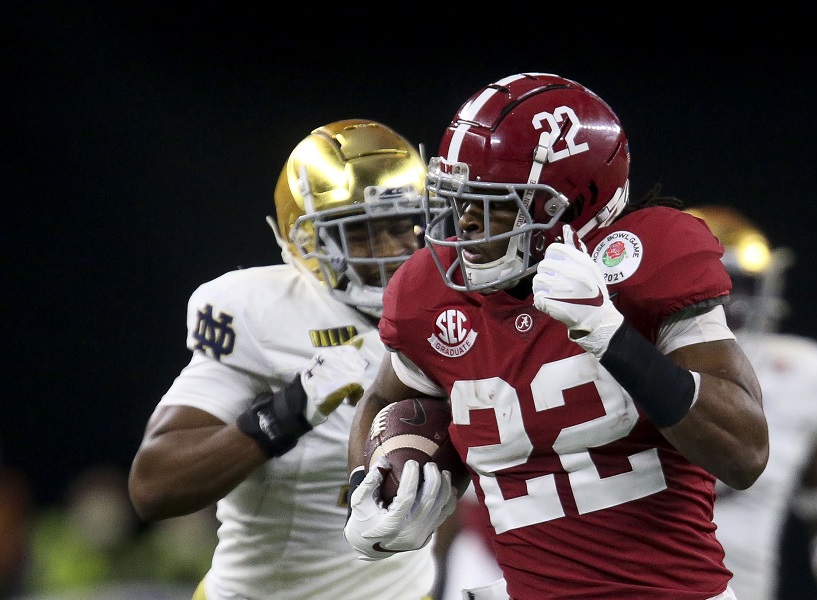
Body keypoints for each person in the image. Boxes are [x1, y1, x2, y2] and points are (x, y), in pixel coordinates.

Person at [343, 73, 769, 600]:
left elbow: (744, 454)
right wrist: (370, 482)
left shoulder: (647, 265)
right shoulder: (431, 294)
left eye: (496, 201)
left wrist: (612, 337)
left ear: (573, 204)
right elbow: (387, 399)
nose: (467, 223)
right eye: (460, 198)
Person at [128, 119, 445, 600]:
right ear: (308, 242)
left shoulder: (452, 306)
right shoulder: (262, 315)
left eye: (402, 225)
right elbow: (153, 485)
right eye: (361, 233)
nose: (390, 253)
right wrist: (287, 411)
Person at [683, 204, 817, 600]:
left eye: (738, 288)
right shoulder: (609, 367)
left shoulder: (807, 375)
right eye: (709, 289)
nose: (727, 307)